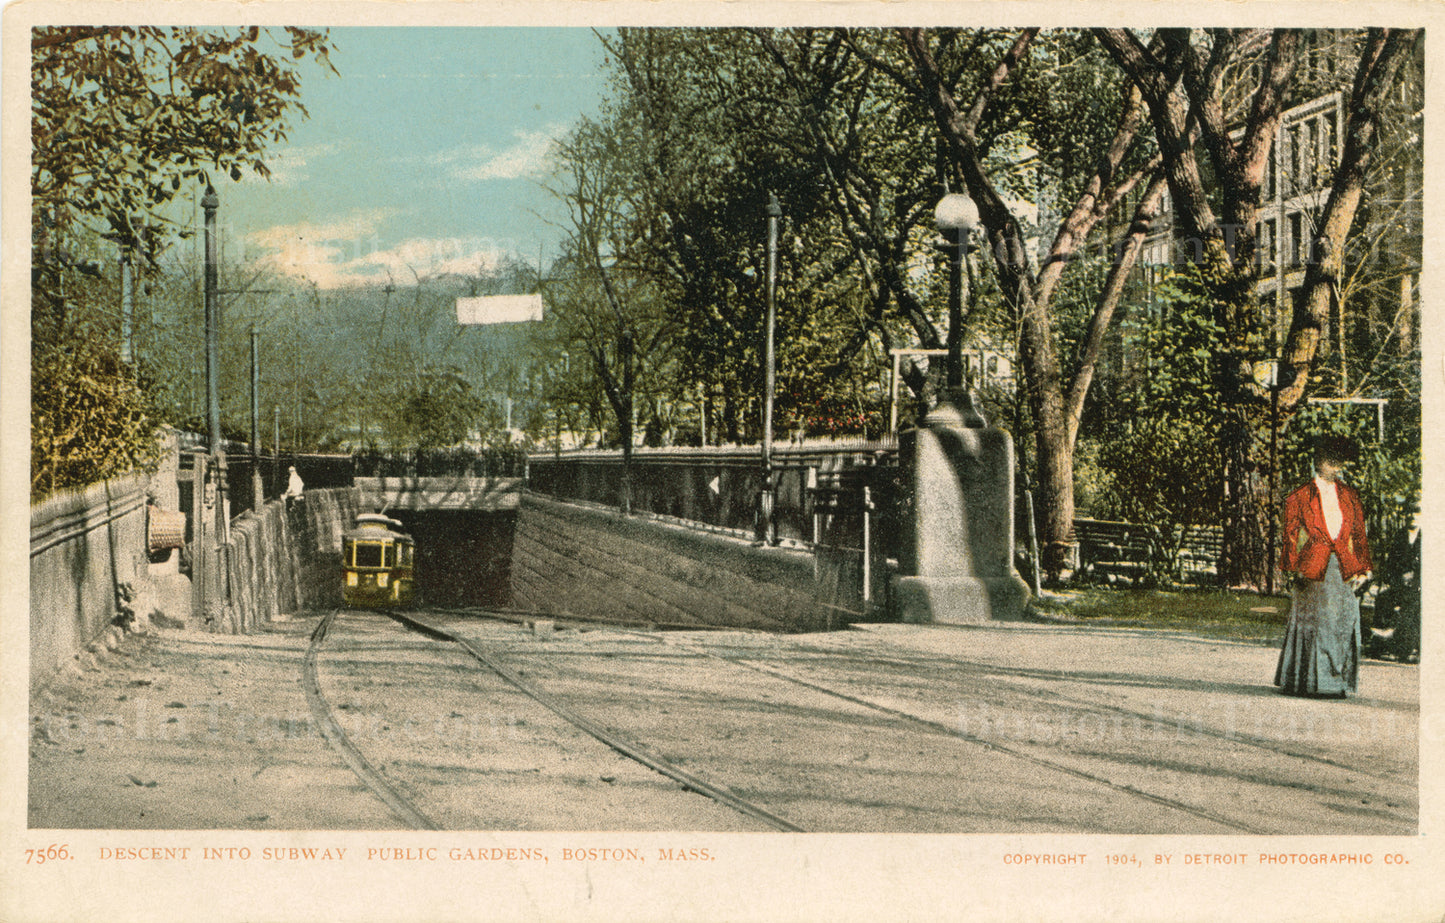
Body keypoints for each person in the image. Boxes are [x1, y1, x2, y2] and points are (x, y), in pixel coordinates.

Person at [1275, 435, 1372, 698]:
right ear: (1318, 461)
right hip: (1312, 566)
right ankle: (1309, 683)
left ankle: (1338, 681)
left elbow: (1359, 534)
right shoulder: (1299, 497)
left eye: (1339, 462)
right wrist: (1291, 569)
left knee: (1343, 620)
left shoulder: (1350, 496)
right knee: (1316, 622)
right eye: (1331, 461)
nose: (1336, 467)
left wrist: (1365, 568)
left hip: (1344, 564)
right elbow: (1290, 537)